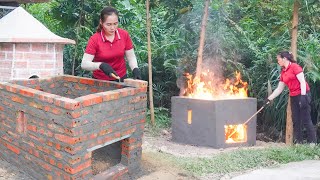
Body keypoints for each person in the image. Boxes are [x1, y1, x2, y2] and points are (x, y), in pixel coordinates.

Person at [266, 51, 317, 143]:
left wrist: (303, 96)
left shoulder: (295, 67)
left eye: (278, 59)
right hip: (293, 96)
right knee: (296, 120)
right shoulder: (283, 71)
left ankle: (312, 143)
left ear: (284, 58)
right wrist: (270, 98)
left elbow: (302, 82)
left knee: (306, 119)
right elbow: (279, 89)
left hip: (303, 94)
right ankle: (299, 142)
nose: (278, 61)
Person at [81, 6, 141, 82]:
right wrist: (100, 65)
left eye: (115, 23)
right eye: (108, 24)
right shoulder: (95, 39)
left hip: (121, 79)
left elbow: (131, 57)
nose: (113, 28)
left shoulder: (124, 35)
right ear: (101, 22)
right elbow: (84, 64)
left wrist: (135, 68)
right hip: (100, 81)